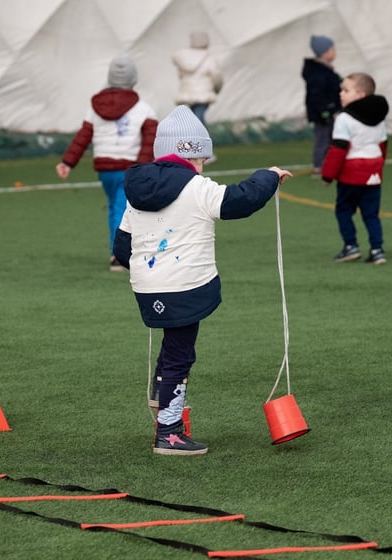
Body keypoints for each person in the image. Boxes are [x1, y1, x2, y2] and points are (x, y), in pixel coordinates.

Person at [112, 105, 292, 455]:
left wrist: (149, 274)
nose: (203, 165)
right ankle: (169, 432)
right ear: (192, 155)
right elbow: (241, 200)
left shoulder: (137, 194)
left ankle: (161, 389)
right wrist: (268, 176)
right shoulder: (197, 187)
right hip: (185, 285)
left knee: (173, 344)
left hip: (147, 286)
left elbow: (121, 246)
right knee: (181, 353)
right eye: (203, 159)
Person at [56, 54, 158, 271]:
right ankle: (119, 255)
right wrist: (142, 167)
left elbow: (83, 136)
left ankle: (117, 250)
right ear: (133, 80)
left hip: (104, 169)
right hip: (129, 168)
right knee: (124, 209)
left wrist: (68, 162)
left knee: (114, 207)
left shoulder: (95, 108)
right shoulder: (144, 109)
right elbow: (150, 142)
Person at [321, 72, 389, 265]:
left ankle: (350, 246)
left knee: (344, 210)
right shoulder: (380, 117)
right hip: (373, 172)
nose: (341, 93)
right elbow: (383, 145)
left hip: (351, 173)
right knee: (371, 214)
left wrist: (328, 175)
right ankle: (377, 250)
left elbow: (338, 149)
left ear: (360, 95)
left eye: (346, 90)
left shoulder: (344, 118)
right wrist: (378, 167)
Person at [302, 35, 341, 178]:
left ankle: (328, 164)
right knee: (322, 138)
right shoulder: (317, 72)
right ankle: (318, 165)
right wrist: (323, 110)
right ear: (324, 52)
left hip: (330, 110)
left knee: (331, 138)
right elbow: (316, 94)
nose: (334, 52)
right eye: (332, 49)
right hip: (322, 113)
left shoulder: (326, 70)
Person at [172, 32, 223, 127]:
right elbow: (216, 76)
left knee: (194, 117)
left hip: (187, 93)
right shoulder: (209, 59)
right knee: (198, 118)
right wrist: (217, 89)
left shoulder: (183, 58)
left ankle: (195, 134)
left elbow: (181, 76)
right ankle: (200, 135)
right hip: (204, 93)